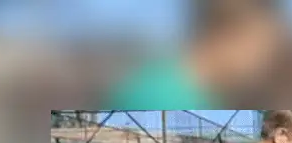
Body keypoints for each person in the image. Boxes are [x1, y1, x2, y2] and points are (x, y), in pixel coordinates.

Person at [105, 2, 282, 110]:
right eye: (262, 51)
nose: (265, 65)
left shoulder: (211, 93)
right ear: (227, 35)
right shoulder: (160, 95)